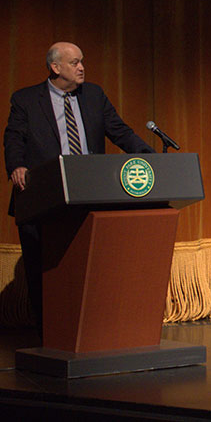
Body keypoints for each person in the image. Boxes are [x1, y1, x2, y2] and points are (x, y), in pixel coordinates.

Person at [4, 42, 154, 333]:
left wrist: (150, 157)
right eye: (74, 63)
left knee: (89, 263)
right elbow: (13, 138)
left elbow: (119, 131)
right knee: (43, 268)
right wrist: (16, 166)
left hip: (89, 194)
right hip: (44, 195)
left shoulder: (94, 95)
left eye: (82, 61)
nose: (82, 67)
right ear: (55, 67)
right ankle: (48, 331)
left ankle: (91, 326)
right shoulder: (25, 99)